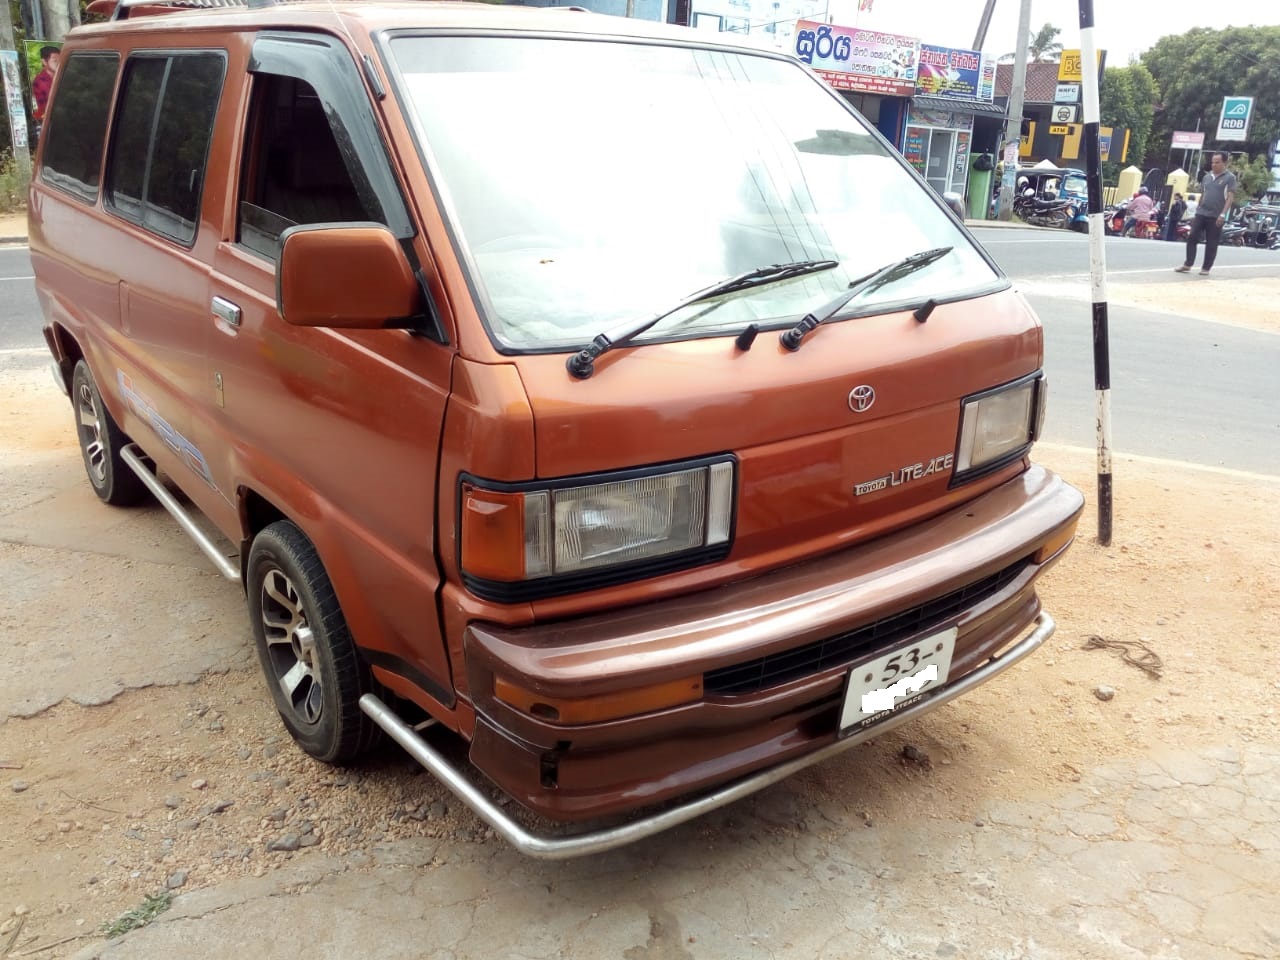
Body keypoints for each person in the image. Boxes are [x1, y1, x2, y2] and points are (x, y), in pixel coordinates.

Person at [1176, 152, 1236, 276]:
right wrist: (1198, 210)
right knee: (1192, 237)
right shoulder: (1207, 177)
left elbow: (1230, 198)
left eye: (1217, 162)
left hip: (1216, 215)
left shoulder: (1230, 178)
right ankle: (1188, 264)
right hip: (1201, 213)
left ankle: (1206, 268)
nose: (1214, 165)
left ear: (1224, 163)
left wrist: (1223, 214)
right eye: (1213, 162)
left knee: (1211, 242)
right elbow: (1203, 194)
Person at [31, 45, 60, 127]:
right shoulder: (40, 80)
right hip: (49, 122)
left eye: (60, 60)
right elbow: (56, 100)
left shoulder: (59, 76)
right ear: (44, 62)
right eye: (55, 61)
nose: (58, 63)